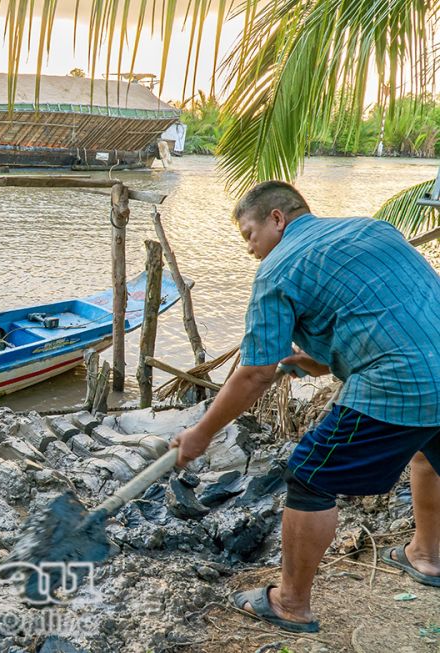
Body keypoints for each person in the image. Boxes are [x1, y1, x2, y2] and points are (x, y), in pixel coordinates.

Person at [171, 181, 440, 633]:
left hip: (401, 381)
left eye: (249, 236)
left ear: (277, 218)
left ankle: (291, 604)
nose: (251, 251)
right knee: (426, 451)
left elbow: (255, 373)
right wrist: (316, 360)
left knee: (310, 476)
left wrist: (201, 433)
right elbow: (387, 312)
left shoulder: (277, 269)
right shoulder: (374, 229)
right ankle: (428, 556)